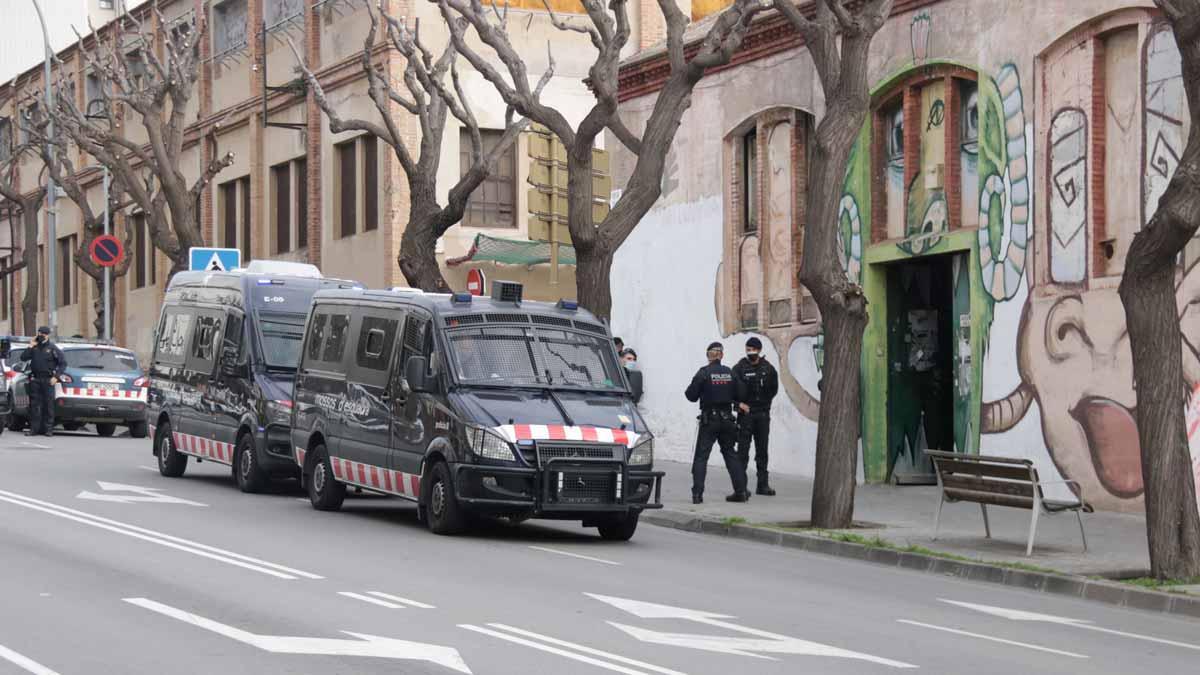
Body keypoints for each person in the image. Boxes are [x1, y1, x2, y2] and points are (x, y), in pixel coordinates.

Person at [684, 342, 750, 504]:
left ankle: (697, 495)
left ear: (708, 355)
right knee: (730, 454)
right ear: (721, 355)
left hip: (710, 420)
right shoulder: (730, 373)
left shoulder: (704, 373)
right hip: (727, 419)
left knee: (701, 457)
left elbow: (691, 395)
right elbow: (742, 393)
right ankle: (741, 491)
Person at [733, 337, 779, 496]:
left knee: (762, 451)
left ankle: (763, 485)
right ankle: (741, 487)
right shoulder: (739, 368)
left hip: (762, 415)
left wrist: (765, 404)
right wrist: (738, 404)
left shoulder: (768, 368)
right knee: (742, 452)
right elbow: (730, 391)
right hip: (746, 416)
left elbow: (774, 389)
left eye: (753, 349)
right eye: (748, 349)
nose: (750, 351)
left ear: (759, 350)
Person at [21, 326, 66, 437]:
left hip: (48, 380)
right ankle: (34, 429)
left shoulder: (52, 348)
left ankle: (48, 429)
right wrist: (30, 346)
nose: (41, 336)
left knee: (48, 405)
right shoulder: (34, 347)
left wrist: (56, 377)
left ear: (48, 335)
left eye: (44, 334)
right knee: (35, 406)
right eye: (40, 333)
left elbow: (63, 363)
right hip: (36, 379)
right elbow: (23, 358)